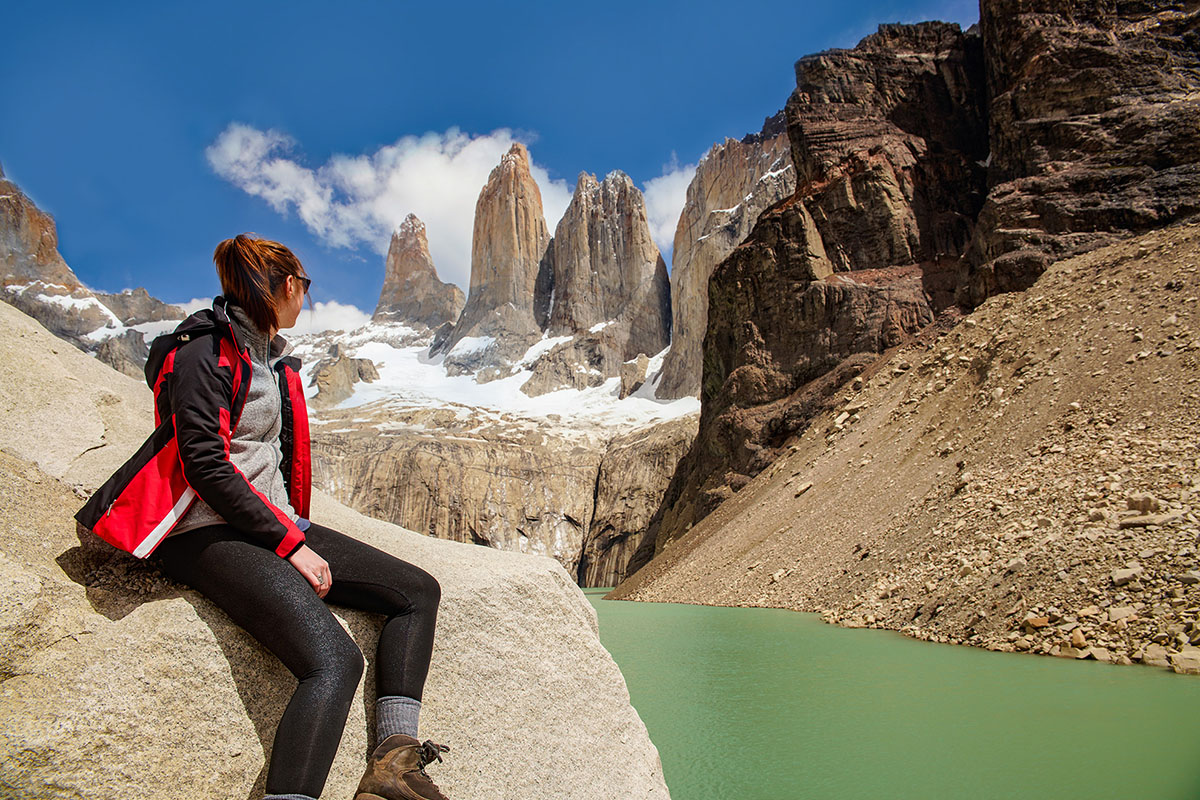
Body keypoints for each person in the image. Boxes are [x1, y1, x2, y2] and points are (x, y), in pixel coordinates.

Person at [76, 234, 449, 800]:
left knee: (417, 591)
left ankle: (393, 763)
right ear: (278, 286)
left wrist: (288, 531)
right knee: (333, 662)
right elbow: (205, 463)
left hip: (267, 521)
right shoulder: (206, 349)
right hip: (203, 527)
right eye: (303, 284)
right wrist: (289, 543)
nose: (306, 296)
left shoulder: (268, 355)